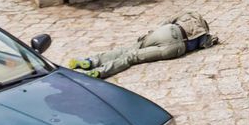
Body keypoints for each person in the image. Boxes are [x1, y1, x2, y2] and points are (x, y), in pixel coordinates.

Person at [66, 12, 217, 79]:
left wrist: (152, 34)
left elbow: (167, 21)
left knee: (128, 49)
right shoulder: (205, 34)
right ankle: (100, 73)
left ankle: (91, 61)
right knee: (132, 57)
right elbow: (205, 44)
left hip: (168, 32)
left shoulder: (190, 14)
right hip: (176, 49)